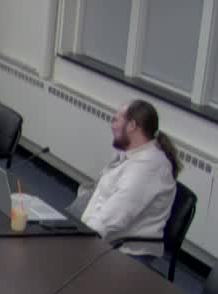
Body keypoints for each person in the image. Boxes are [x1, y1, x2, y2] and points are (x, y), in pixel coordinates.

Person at [71, 100, 179, 259]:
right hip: (103, 238)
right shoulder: (131, 155)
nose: (112, 126)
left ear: (132, 126)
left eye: (115, 120)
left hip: (124, 252)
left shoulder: (149, 168)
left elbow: (114, 218)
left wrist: (77, 240)